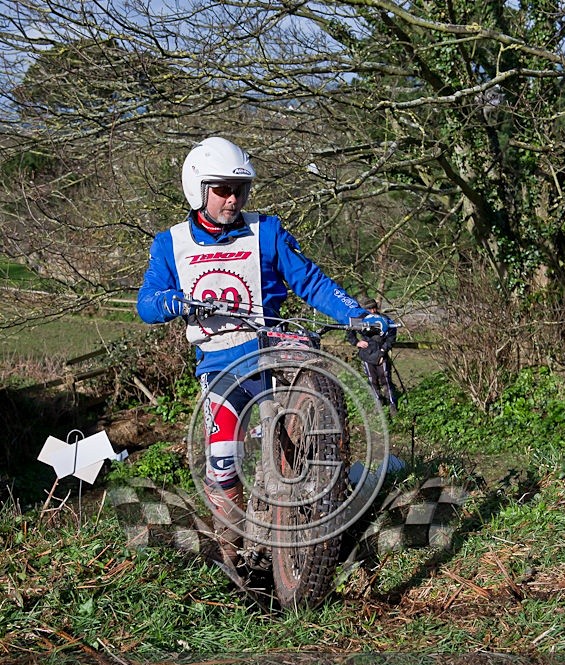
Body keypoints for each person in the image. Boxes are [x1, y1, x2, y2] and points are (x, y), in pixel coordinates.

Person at [137, 136, 394, 565]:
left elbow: (311, 282)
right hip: (219, 362)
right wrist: (172, 301)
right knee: (221, 461)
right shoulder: (170, 244)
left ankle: (326, 499)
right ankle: (231, 550)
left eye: (240, 189)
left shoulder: (267, 231)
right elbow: (146, 304)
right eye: (222, 189)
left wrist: (355, 315)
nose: (233, 198)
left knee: (319, 407)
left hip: (274, 345)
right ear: (197, 189)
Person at [346, 296, 398, 413]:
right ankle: (378, 402)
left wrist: (383, 351)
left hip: (381, 353)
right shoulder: (359, 320)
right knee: (372, 380)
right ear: (365, 309)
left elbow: (392, 336)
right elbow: (349, 331)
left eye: (374, 308)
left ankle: (392, 404)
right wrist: (357, 342)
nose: (373, 311)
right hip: (366, 354)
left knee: (385, 379)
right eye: (370, 309)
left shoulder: (384, 319)